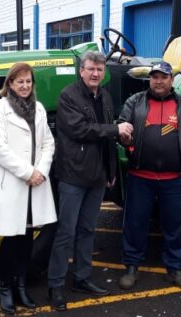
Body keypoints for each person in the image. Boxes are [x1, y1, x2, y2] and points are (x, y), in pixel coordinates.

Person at [47, 51, 133, 311]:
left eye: (99, 69)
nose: (95, 73)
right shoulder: (68, 96)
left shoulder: (105, 96)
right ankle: (55, 285)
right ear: (81, 71)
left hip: (97, 177)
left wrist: (111, 170)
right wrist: (115, 129)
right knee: (66, 232)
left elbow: (106, 137)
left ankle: (82, 278)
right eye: (91, 69)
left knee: (87, 231)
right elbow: (79, 130)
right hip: (74, 175)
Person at [116, 61, 181, 291]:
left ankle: (176, 269)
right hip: (140, 177)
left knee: (177, 226)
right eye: (154, 76)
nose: (159, 81)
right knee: (135, 223)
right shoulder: (135, 102)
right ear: (150, 79)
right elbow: (121, 128)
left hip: (175, 180)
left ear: (171, 79)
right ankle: (132, 267)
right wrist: (123, 138)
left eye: (163, 76)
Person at [0, 63, 56, 314]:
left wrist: (41, 171)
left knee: (27, 239)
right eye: (19, 82)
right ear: (10, 84)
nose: (25, 86)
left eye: (28, 81)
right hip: (13, 181)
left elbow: (48, 142)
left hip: (35, 182)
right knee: (10, 239)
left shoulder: (38, 109)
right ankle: (5, 288)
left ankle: (21, 286)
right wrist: (27, 172)